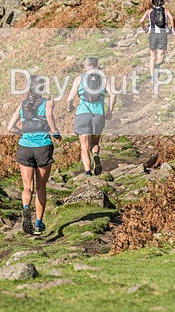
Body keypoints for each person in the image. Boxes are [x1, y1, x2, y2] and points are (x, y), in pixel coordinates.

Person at [6, 75, 62, 236]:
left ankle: (25, 209)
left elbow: (10, 127)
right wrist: (56, 133)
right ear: (43, 88)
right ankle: (38, 223)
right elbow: (50, 117)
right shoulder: (48, 103)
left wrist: (23, 133)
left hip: (24, 146)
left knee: (27, 187)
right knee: (41, 187)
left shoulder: (22, 105)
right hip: (43, 146)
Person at [66, 57, 116, 177]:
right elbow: (113, 95)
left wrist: (69, 107)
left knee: (84, 146)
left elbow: (70, 99)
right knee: (94, 143)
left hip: (83, 114)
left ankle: (88, 172)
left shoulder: (79, 79)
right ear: (97, 65)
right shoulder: (103, 79)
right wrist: (110, 110)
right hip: (98, 115)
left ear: (85, 66)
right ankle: (95, 154)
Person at [139, 0, 175, 80]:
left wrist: (144, 29)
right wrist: (173, 29)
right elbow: (172, 18)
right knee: (161, 56)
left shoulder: (149, 11)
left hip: (152, 34)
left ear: (152, 3)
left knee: (152, 57)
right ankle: (157, 66)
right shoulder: (166, 10)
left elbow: (141, 21)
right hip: (163, 34)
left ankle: (152, 76)